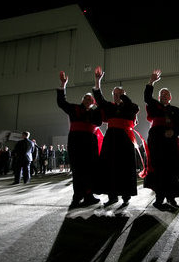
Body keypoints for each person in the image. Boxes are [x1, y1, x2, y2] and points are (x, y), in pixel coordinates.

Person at [93, 66, 140, 207]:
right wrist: (97, 80)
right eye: (115, 93)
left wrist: (123, 96)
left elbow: (132, 107)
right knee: (110, 166)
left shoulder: (131, 107)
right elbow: (99, 98)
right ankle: (112, 196)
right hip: (111, 139)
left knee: (125, 166)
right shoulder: (109, 106)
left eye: (120, 94)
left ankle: (126, 195)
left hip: (126, 139)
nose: (117, 96)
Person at [57, 70, 102, 209]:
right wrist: (63, 85)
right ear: (82, 100)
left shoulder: (95, 112)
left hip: (90, 142)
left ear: (94, 102)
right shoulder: (74, 108)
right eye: (87, 98)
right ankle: (77, 196)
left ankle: (89, 195)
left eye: (91, 99)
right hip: (76, 142)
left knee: (90, 169)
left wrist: (97, 82)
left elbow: (99, 123)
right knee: (77, 169)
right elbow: (61, 102)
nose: (89, 100)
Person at [143, 69, 179, 210]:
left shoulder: (176, 110)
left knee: (172, 169)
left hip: (171, 141)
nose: (164, 96)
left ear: (170, 98)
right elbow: (147, 97)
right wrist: (151, 82)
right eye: (162, 94)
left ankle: (171, 197)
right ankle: (159, 197)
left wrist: (173, 132)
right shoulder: (155, 105)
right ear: (159, 97)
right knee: (158, 169)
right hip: (156, 140)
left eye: (167, 94)